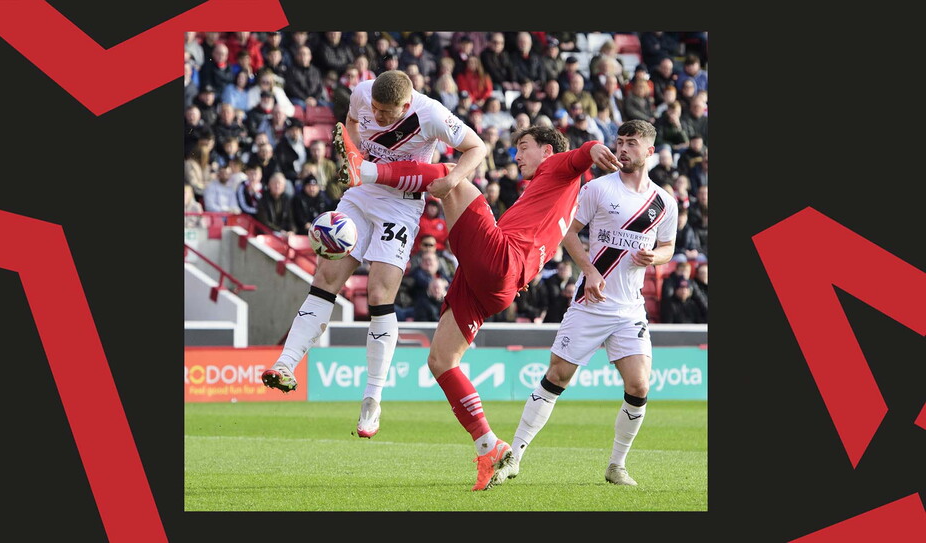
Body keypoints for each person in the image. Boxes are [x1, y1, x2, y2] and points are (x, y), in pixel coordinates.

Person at [333, 122, 622, 490]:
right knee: (441, 361)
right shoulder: (555, 191)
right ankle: (488, 446)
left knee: (451, 176)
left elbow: (580, 154)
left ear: (547, 151)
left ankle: (367, 169)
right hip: (499, 282)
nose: (517, 156)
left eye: (525, 146)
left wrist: (594, 148)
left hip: (501, 260)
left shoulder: (557, 165)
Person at [261, 70, 487, 443]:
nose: (378, 117)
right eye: (375, 110)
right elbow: (351, 122)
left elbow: (477, 147)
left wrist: (451, 179)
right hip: (361, 194)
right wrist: (352, 153)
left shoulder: (431, 114)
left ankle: (373, 397)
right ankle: (286, 364)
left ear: (406, 103)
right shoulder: (362, 93)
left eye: (387, 113)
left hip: (401, 206)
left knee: (380, 295)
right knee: (325, 280)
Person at [495, 120, 678, 488]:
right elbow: (567, 231)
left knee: (640, 385)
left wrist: (655, 257)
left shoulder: (664, 203)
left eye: (632, 143)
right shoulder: (597, 188)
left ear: (649, 152)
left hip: (629, 309)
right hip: (590, 302)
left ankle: (616, 465)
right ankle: (513, 456)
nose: (623, 149)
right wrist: (591, 271)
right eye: (620, 141)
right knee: (558, 376)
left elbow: (669, 247)